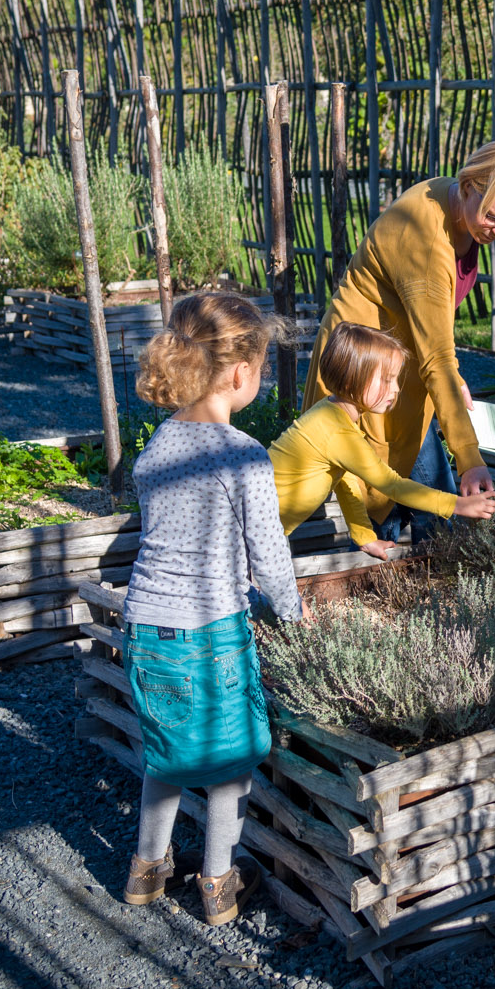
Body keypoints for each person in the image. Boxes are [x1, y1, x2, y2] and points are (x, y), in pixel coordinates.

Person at [119, 291, 301, 927]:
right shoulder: (243, 455)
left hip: (144, 626)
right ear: (242, 372)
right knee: (230, 758)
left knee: (168, 749)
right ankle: (218, 881)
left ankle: (147, 869)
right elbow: (269, 557)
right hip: (210, 629)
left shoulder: (159, 444)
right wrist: (292, 612)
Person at [302, 139, 495, 541]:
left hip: (398, 364)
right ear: (470, 185)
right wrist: (470, 460)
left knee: (421, 499)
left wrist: (453, 381)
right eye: (494, 218)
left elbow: (432, 331)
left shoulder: (455, 205)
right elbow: (437, 358)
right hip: (363, 372)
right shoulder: (427, 238)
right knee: (382, 493)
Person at [272, 322, 495, 559]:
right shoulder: (338, 432)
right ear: (352, 381)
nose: (396, 389)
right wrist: (458, 505)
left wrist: (365, 537)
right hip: (250, 523)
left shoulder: (330, 414)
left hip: (258, 524)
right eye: (386, 380)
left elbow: (345, 480)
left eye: (395, 379)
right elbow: (392, 485)